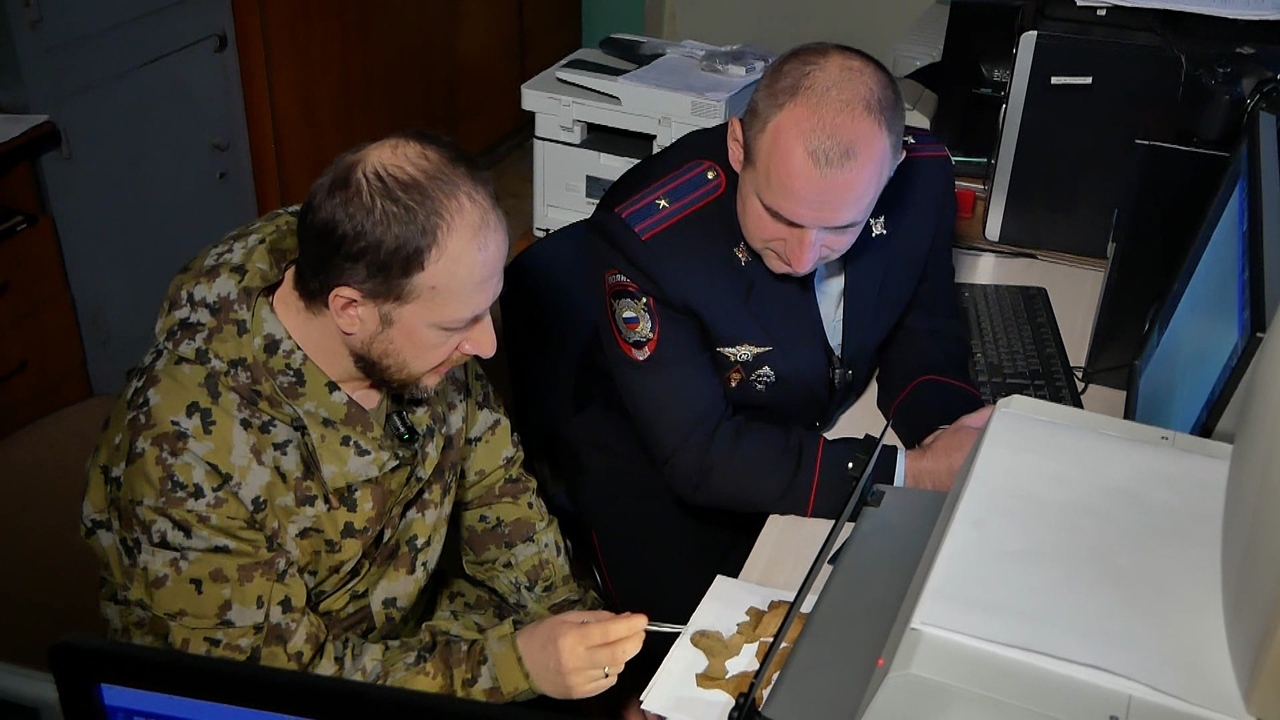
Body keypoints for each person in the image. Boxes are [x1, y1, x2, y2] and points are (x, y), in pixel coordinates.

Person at [81, 131, 648, 703]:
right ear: (350, 310)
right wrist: (517, 667)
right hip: (265, 690)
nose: (486, 345)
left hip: (407, 626)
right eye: (457, 325)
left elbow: (497, 489)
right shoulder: (185, 453)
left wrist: (592, 652)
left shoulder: (381, 274)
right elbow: (274, 688)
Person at [556, 42, 993, 624]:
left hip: (807, 437)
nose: (803, 255)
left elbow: (925, 322)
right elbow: (701, 452)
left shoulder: (925, 178)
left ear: (890, 172)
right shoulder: (650, 240)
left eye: (841, 226)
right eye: (781, 216)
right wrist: (903, 474)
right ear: (739, 147)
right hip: (668, 480)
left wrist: (947, 439)